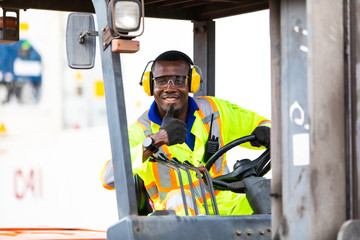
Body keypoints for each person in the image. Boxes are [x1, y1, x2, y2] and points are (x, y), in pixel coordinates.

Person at [101, 50, 271, 216]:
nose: (169, 88)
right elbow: (109, 177)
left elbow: (261, 124)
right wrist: (155, 141)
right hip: (173, 220)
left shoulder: (214, 110)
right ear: (150, 85)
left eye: (179, 80)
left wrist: (267, 131)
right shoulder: (140, 132)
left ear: (191, 84)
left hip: (226, 208)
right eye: (161, 81)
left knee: (276, 195)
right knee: (178, 198)